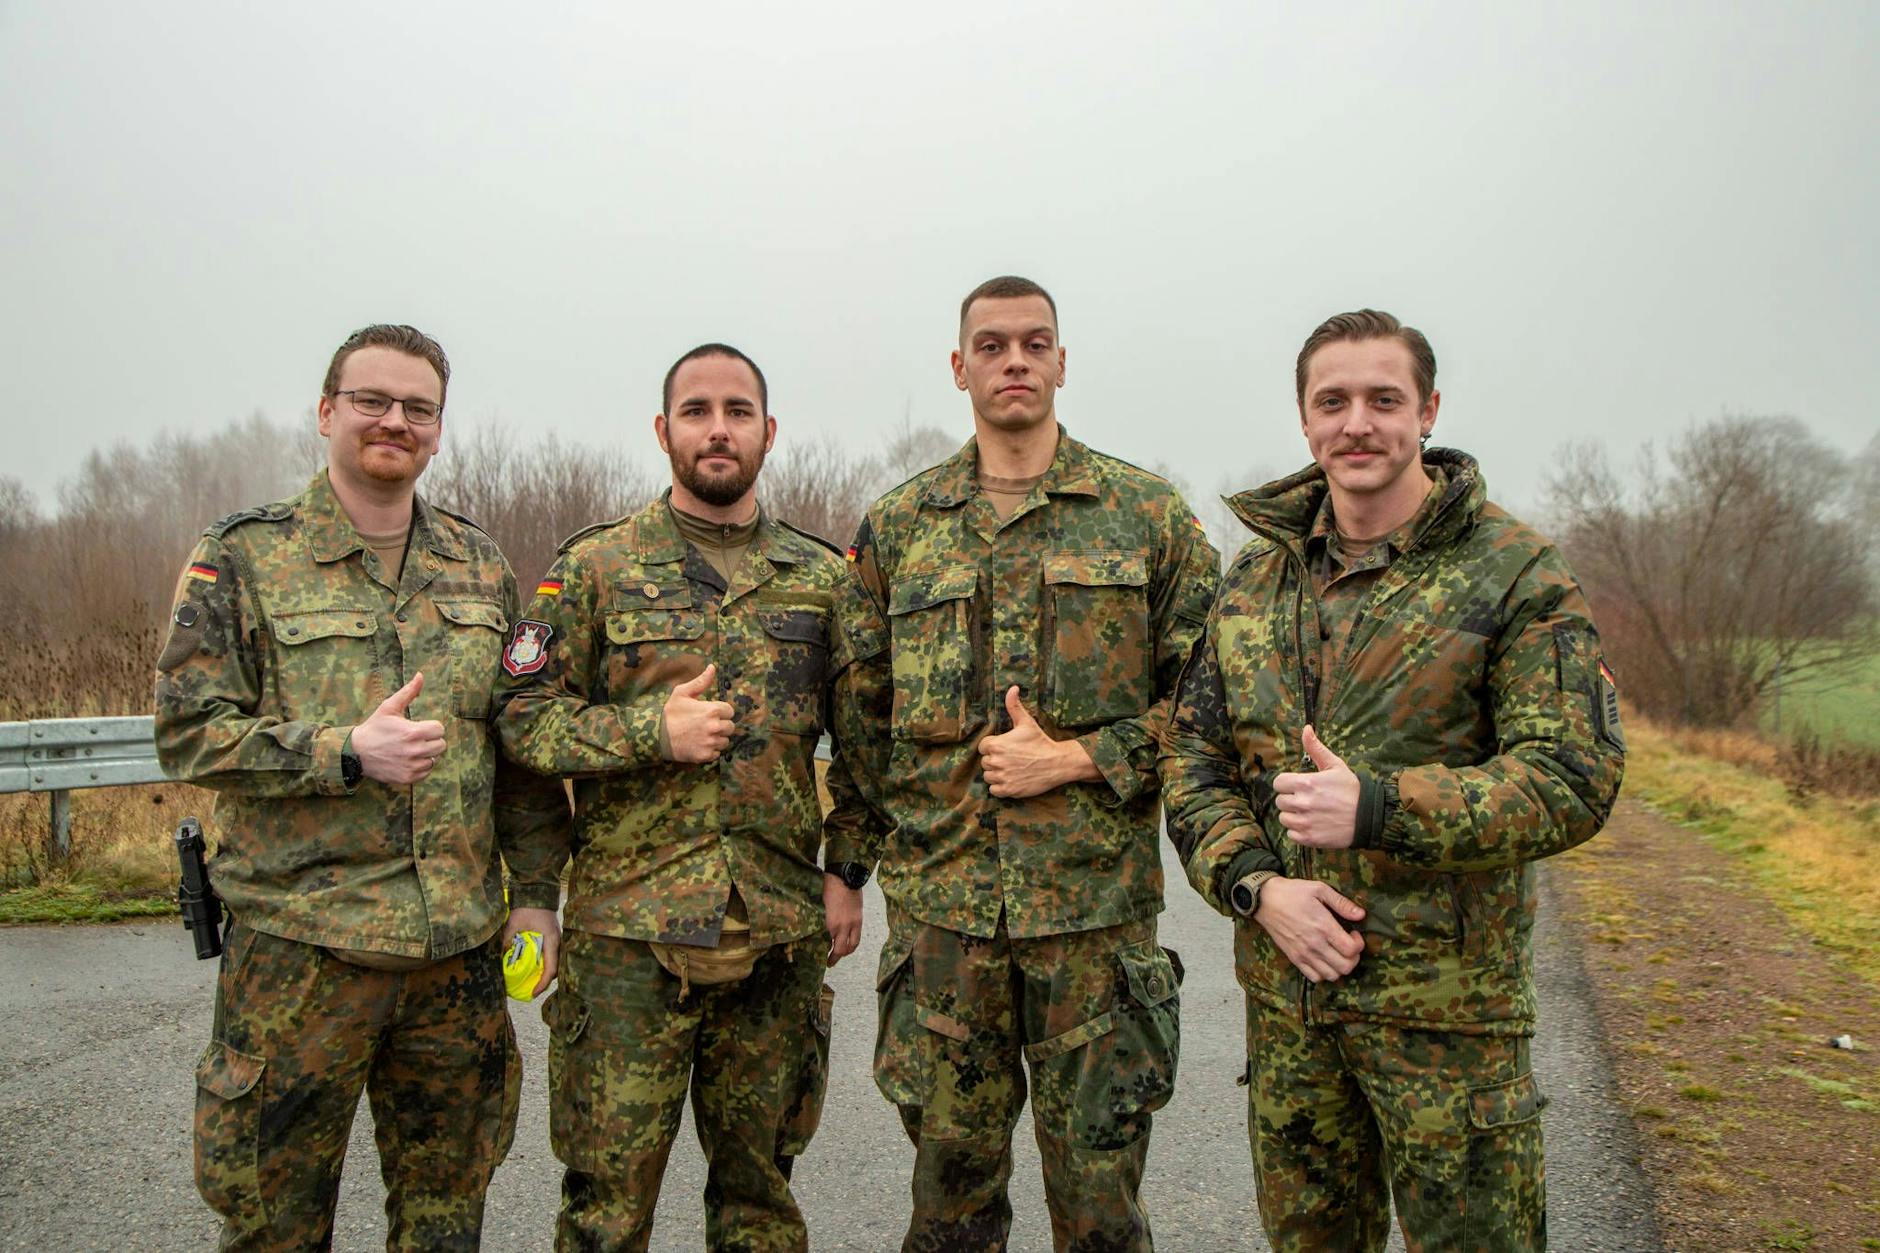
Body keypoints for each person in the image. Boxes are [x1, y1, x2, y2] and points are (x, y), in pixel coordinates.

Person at [1161, 309, 1627, 1251]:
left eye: (1384, 399)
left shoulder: (1514, 573)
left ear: (1428, 411)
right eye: (1333, 401)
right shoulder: (1256, 578)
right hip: (1292, 1012)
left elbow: (1572, 774)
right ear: (1305, 419)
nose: (1357, 423)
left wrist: (1380, 807)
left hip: (1449, 1025)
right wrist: (1259, 887)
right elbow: (1193, 758)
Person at [153, 323, 569, 1250]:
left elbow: (519, 751)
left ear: (439, 429)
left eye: (418, 407)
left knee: (446, 1221)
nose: (395, 421)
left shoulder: (479, 565)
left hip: (454, 958)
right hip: (302, 954)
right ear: (326, 412)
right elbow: (187, 734)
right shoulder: (245, 557)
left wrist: (537, 895)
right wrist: (342, 750)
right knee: (274, 1224)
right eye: (372, 400)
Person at [833, 276, 1220, 1252]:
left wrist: (1081, 756)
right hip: (943, 925)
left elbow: (1214, 707)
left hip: (1093, 922)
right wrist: (846, 870)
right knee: (948, 1207)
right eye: (992, 344)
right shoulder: (899, 527)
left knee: (1100, 1210)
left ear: (1061, 362)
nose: (1014, 360)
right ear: (958, 367)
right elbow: (863, 723)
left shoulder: (1146, 517)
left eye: (1034, 343)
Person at [494, 342, 865, 1252]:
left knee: (760, 1207)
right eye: (697, 411)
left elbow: (870, 740)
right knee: (605, 1212)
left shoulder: (823, 578)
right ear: (664, 430)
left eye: (738, 411)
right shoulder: (595, 567)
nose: (718, 429)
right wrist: (645, 732)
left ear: (769, 431)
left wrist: (848, 868)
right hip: (628, 943)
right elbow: (521, 721)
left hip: (776, 936)